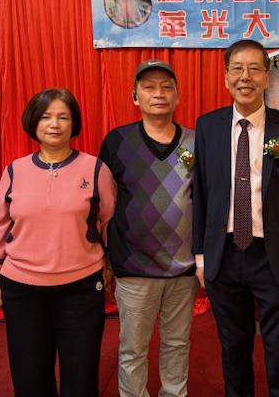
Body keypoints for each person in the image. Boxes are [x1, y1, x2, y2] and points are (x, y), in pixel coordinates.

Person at [192, 39, 279, 397]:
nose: (244, 77)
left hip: (272, 253)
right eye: (237, 69)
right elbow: (201, 194)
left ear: (267, 77)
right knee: (233, 347)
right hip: (223, 253)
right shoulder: (208, 126)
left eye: (254, 69)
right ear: (226, 76)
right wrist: (201, 256)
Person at [0, 88, 116, 397]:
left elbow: (109, 223)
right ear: (34, 122)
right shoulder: (15, 170)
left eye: (63, 117)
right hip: (22, 290)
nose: (54, 124)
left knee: (81, 378)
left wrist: (110, 267)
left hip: (81, 288)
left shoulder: (95, 169)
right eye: (46, 117)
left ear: (73, 124)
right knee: (30, 378)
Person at [99, 60, 199, 397]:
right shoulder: (117, 141)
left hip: (183, 269)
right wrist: (107, 257)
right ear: (135, 96)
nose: (159, 94)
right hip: (134, 269)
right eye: (149, 87)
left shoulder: (196, 142)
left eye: (167, 87)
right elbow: (104, 204)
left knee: (177, 344)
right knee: (132, 350)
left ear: (177, 96)